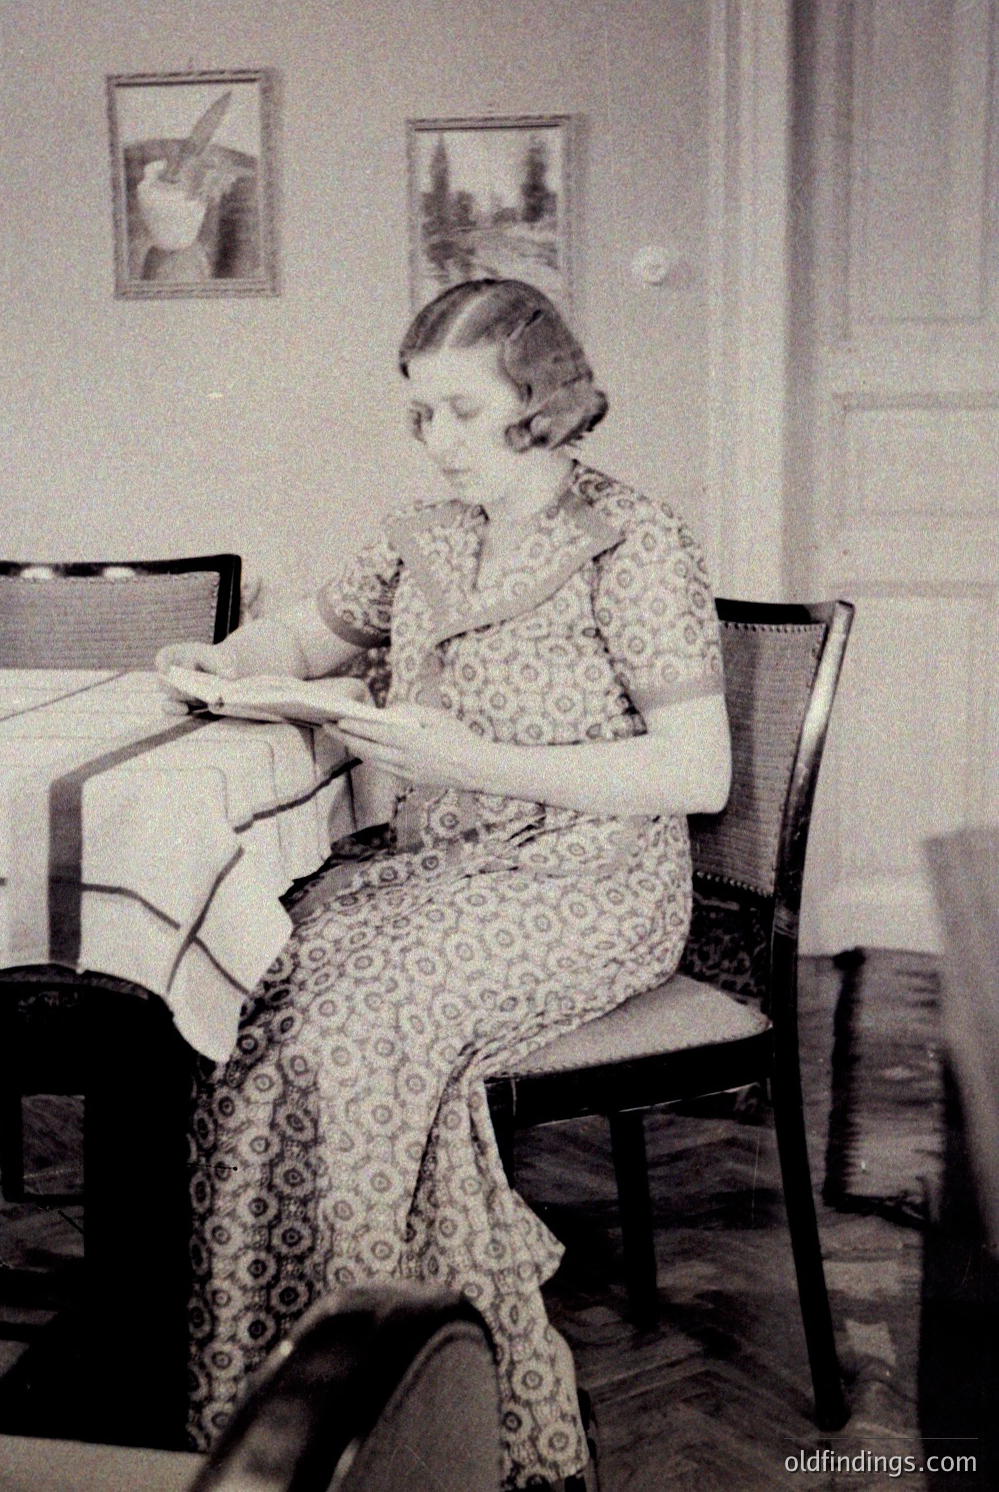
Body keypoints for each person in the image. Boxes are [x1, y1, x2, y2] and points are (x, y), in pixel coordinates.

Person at [156, 278, 731, 1491]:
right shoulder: (420, 532)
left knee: (354, 1029)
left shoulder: (634, 542)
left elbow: (698, 770)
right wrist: (228, 661)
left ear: (545, 401)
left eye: (465, 413)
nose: (439, 442)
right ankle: (268, 1409)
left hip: (588, 880)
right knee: (256, 977)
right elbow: (309, 638)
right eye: (422, 414)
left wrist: (476, 760)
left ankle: (389, 1419)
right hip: (436, 873)